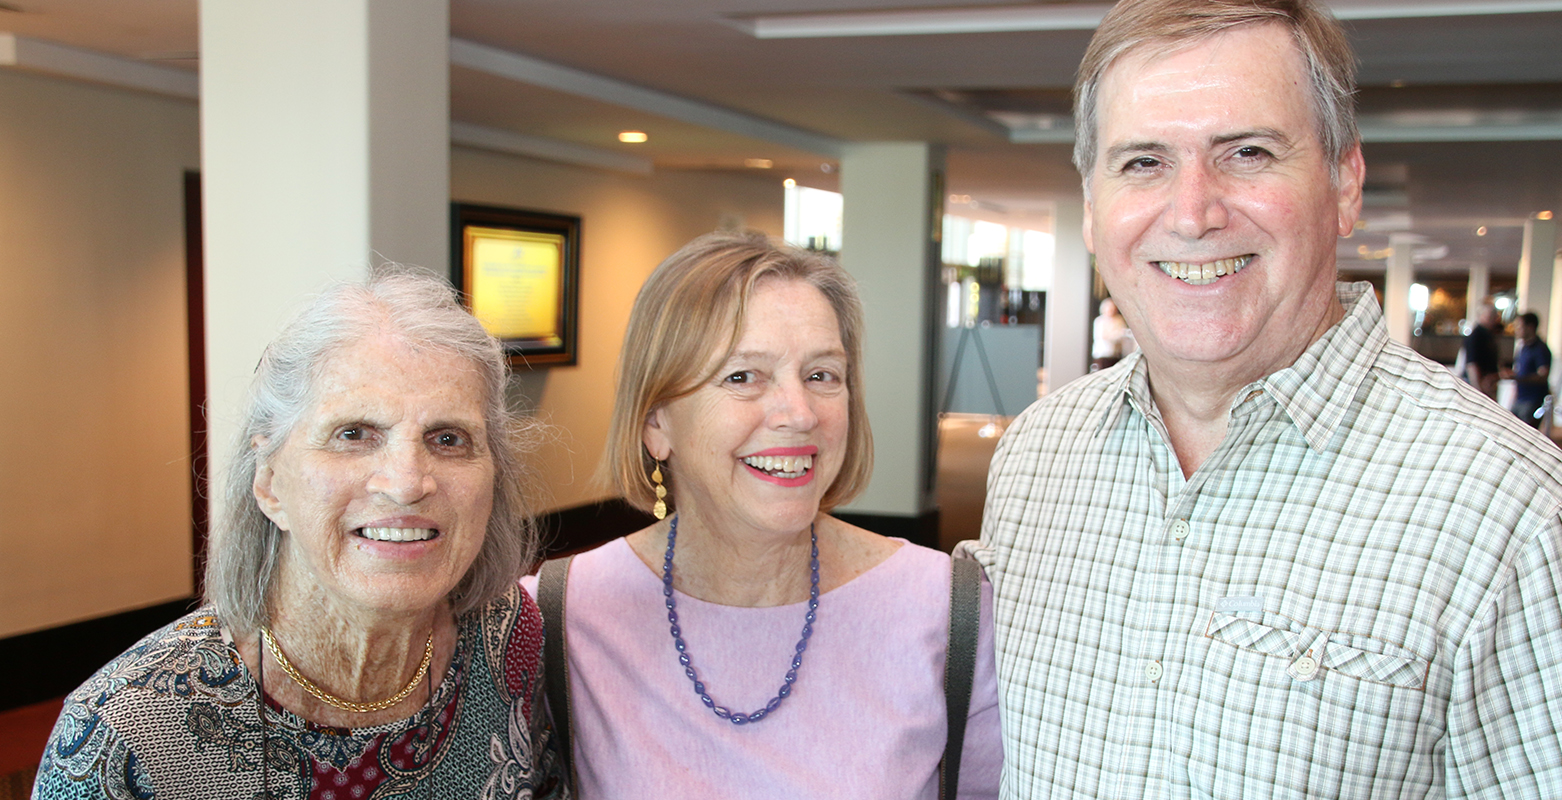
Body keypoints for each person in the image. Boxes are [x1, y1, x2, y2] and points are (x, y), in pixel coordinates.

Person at [965, 0, 1562, 797]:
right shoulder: (1035, 456)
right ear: (1093, 207)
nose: (1193, 213)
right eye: (1143, 163)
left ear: (1345, 182)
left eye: (1248, 152)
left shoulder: (1515, 514)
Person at [34, 269, 564, 799]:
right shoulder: (124, 735)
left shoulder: (510, 635)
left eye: (448, 438)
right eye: (353, 434)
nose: (406, 484)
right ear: (269, 483)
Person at [524, 231, 1001, 799]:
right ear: (656, 423)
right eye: (743, 376)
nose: (799, 414)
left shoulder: (950, 610)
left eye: (822, 375)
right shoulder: (558, 615)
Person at [1510, 310, 1553, 427]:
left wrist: (1518, 378)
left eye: (1519, 326)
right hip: (1521, 398)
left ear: (1530, 327)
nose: (1517, 330)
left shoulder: (1540, 349)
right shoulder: (1523, 348)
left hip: (1532, 399)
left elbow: (1543, 376)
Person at [1460, 302, 1501, 396]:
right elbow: (1472, 365)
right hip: (1480, 387)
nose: (1494, 319)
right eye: (1490, 316)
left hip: (1489, 385)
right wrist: (1479, 390)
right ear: (1481, 315)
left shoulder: (1489, 335)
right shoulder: (1476, 336)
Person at [1090, 297, 1132, 371]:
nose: (1111, 310)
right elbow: (1103, 336)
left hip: (1116, 354)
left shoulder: (1119, 320)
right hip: (1103, 353)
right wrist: (1118, 334)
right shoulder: (1100, 321)